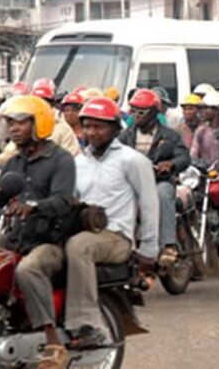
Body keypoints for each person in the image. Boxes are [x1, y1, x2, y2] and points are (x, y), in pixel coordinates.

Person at [0, 95, 76, 368]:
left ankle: (53, 341)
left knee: (28, 269)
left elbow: (63, 200)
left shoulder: (60, 159)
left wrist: (34, 207)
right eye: (10, 123)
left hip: (50, 239)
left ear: (39, 123)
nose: (13, 128)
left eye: (21, 122)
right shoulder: (14, 162)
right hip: (17, 236)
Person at [65, 96, 159, 349]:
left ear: (115, 129)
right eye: (87, 126)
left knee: (78, 246)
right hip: (85, 230)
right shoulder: (78, 163)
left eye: (99, 126)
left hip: (116, 236)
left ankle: (86, 324)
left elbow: (149, 204)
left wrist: (149, 250)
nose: (91, 132)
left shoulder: (132, 160)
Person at [119, 89, 190, 264]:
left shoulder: (169, 135)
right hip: (133, 185)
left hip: (160, 181)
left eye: (141, 111)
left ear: (154, 112)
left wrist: (171, 164)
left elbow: (184, 157)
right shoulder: (125, 135)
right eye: (133, 110)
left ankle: (168, 245)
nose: (136, 115)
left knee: (162, 194)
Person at [0, 83, 81, 164]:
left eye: (44, 102)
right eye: (36, 102)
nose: (40, 105)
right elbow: (11, 152)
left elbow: (72, 157)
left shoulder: (62, 128)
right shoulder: (27, 126)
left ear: (51, 104)